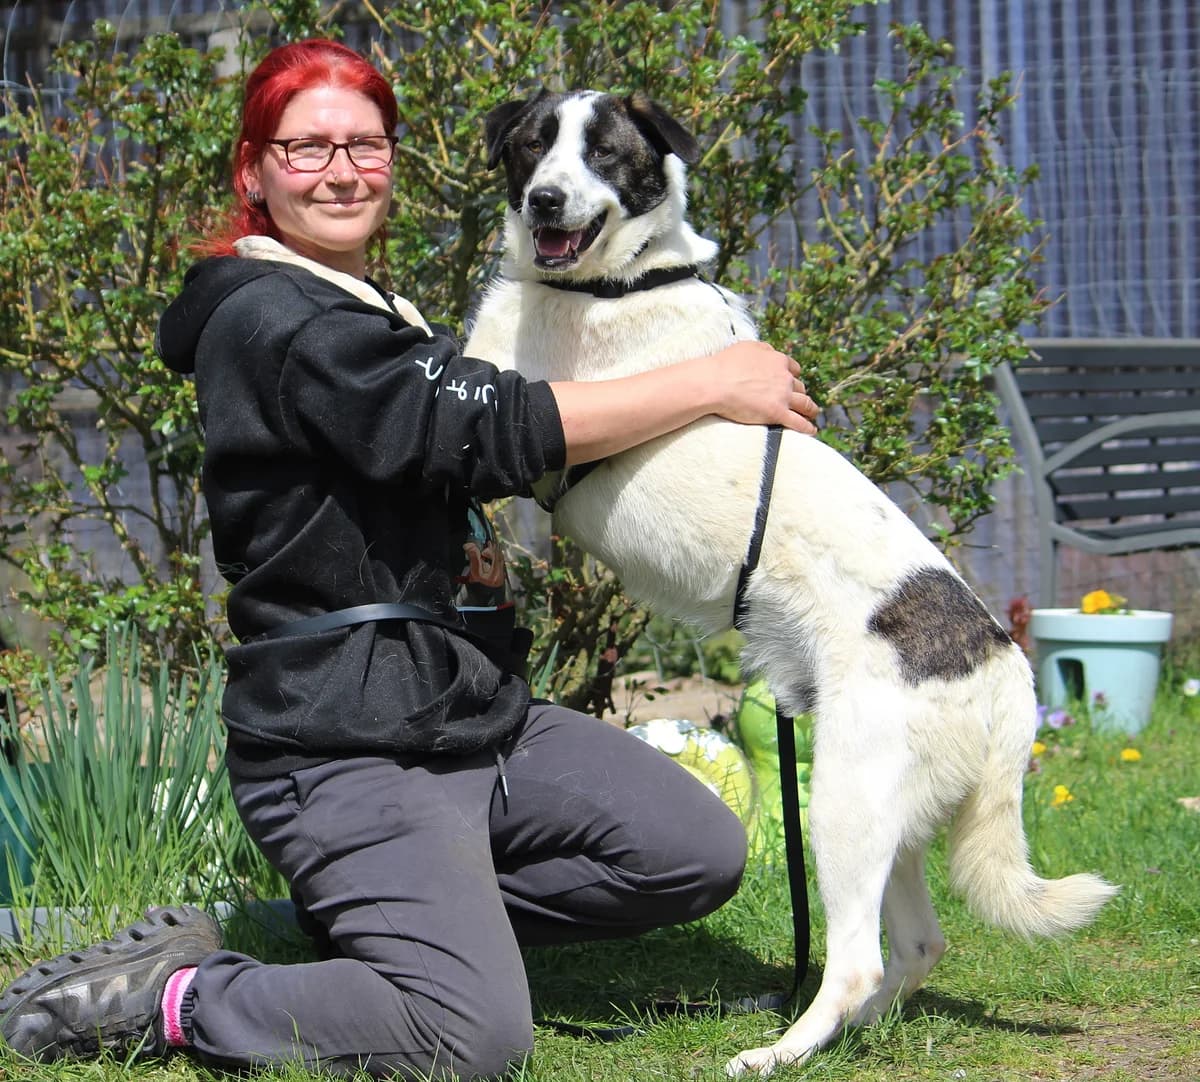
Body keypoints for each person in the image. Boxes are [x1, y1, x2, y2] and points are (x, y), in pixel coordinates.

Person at [0, 39, 818, 1080]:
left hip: (467, 719)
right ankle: (179, 993)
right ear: (253, 169)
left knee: (691, 851)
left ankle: (383, 925)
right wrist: (713, 380)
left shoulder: (364, 309)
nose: (341, 170)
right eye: (306, 148)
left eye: (364, 144)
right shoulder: (270, 317)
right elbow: (477, 430)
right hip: (347, 741)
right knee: (467, 1036)